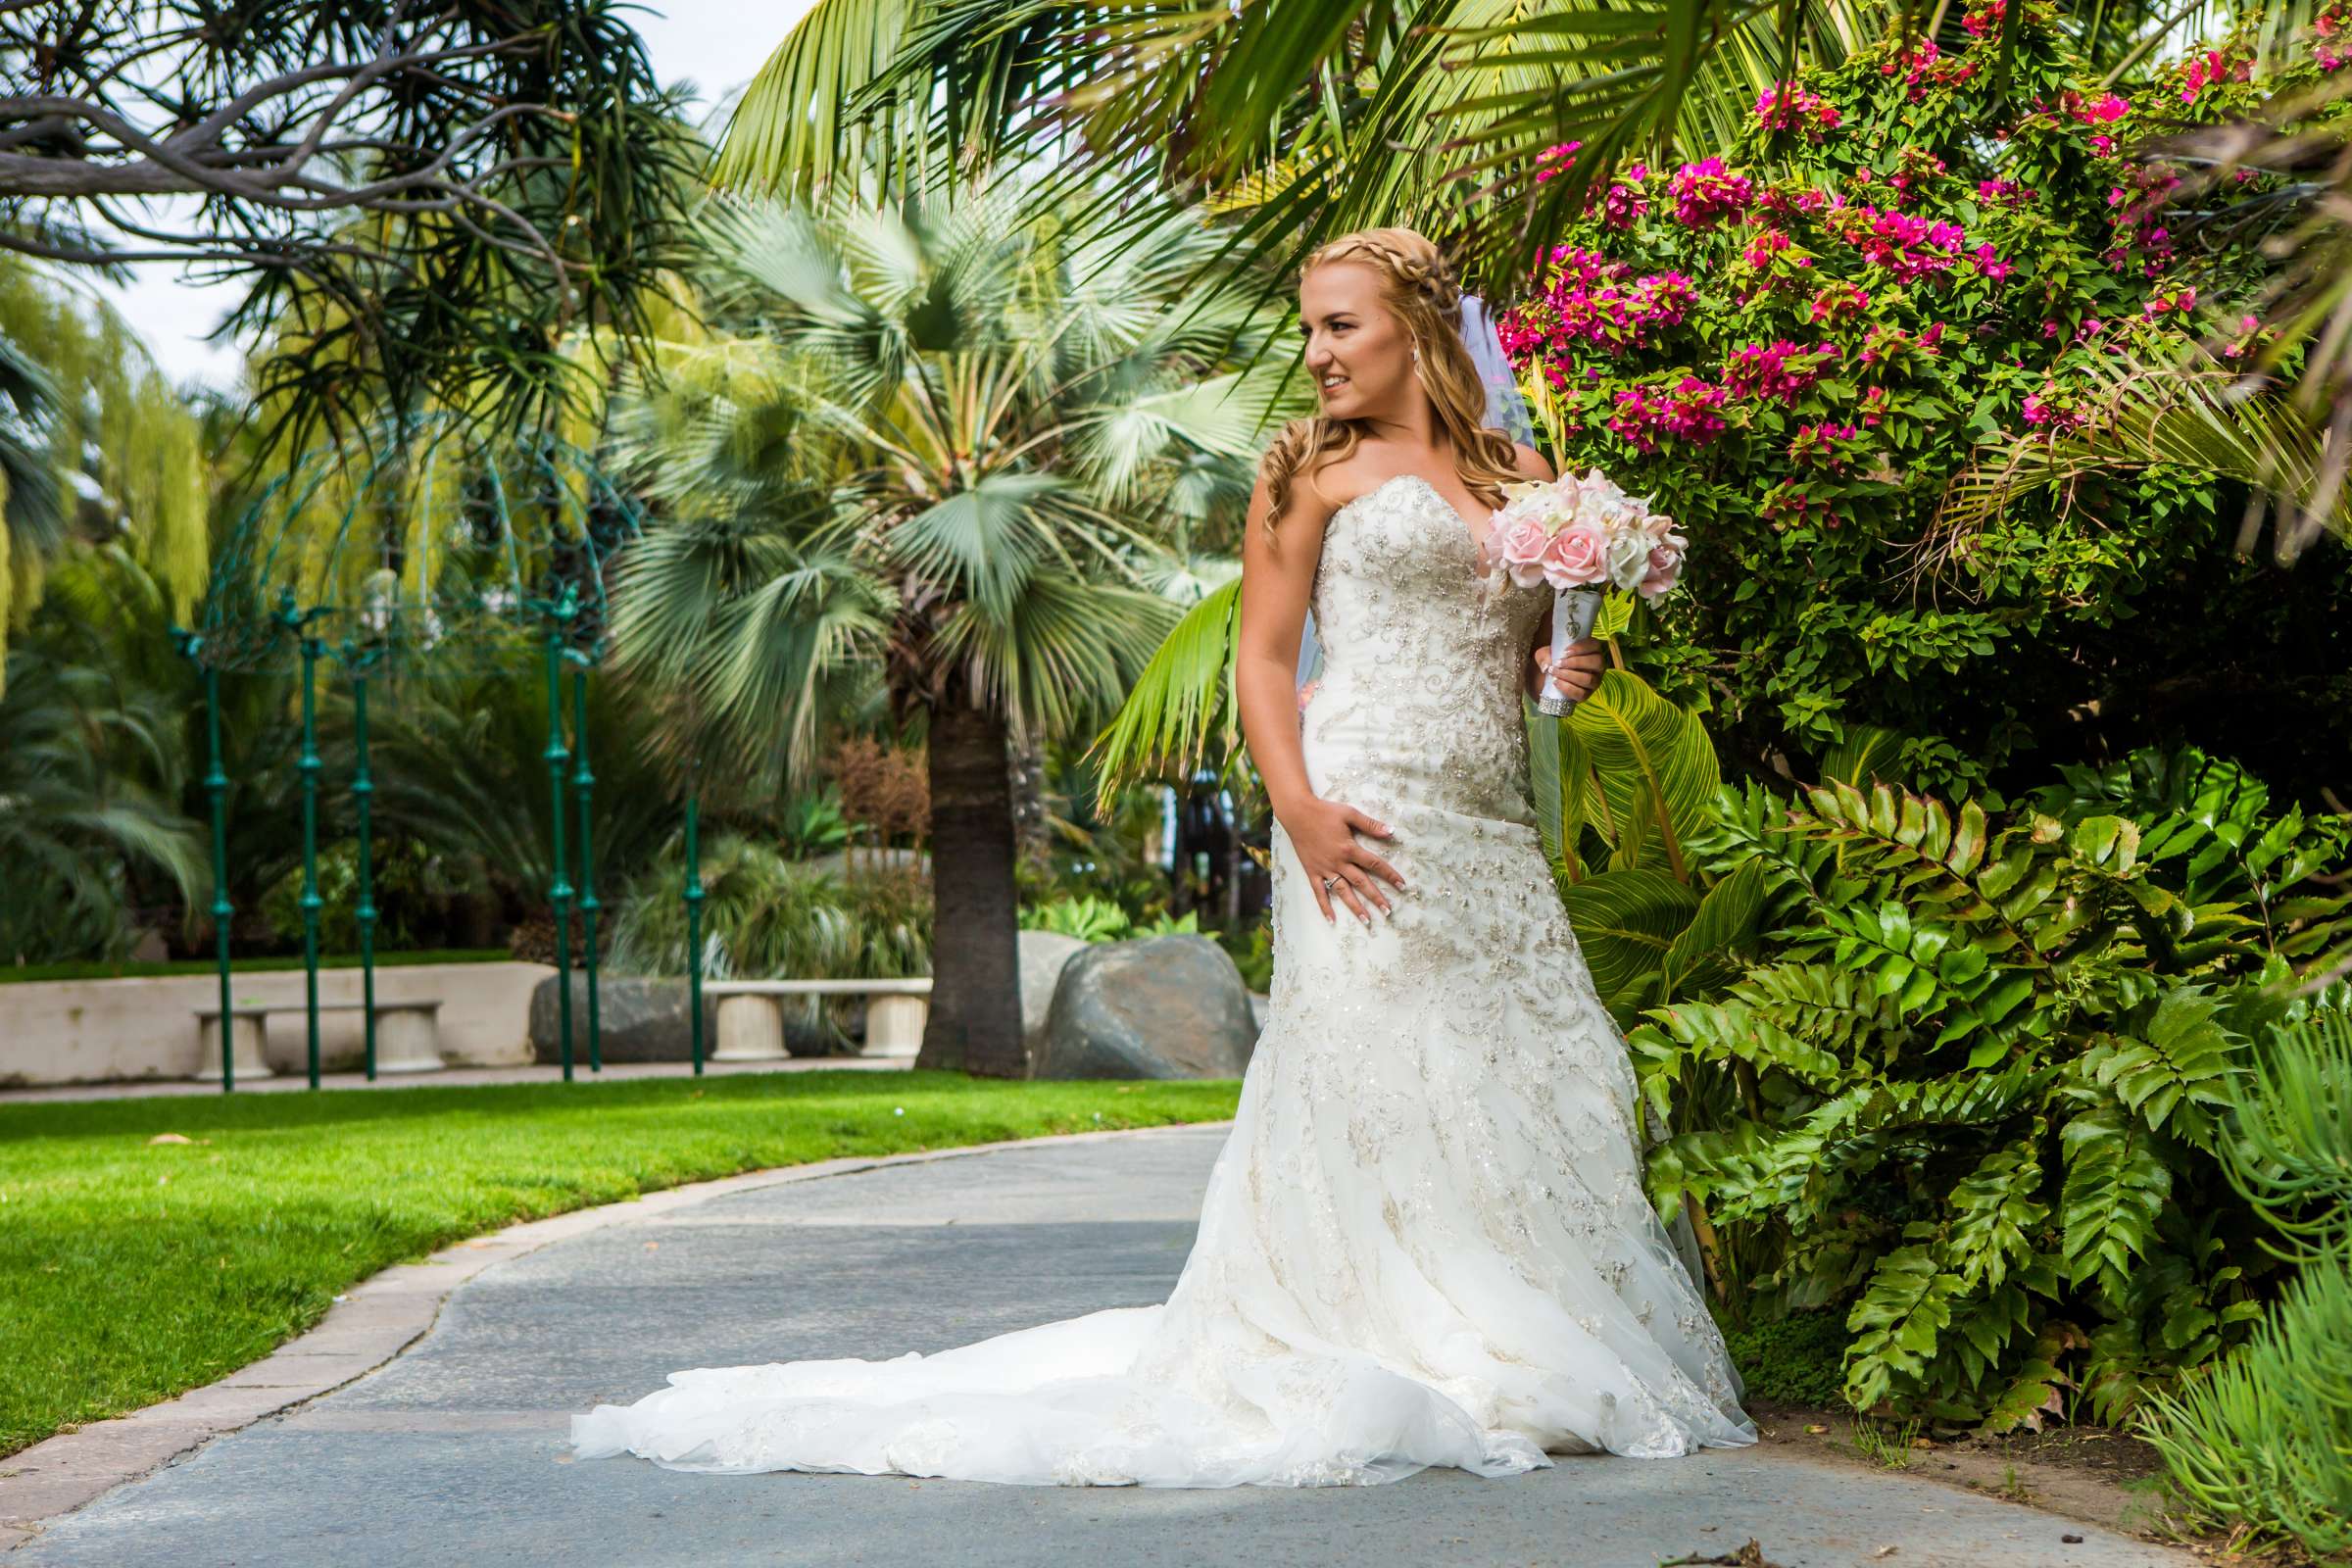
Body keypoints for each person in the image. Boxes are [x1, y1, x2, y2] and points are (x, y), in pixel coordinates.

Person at [569, 225, 1758, 1487]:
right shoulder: (1308, 469)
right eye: (1307, 328)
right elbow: (1261, 656)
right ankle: (1389, 1332)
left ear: (1414, 326)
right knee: (1379, 1068)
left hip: (1491, 822)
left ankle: (1525, 1319)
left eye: (1339, 326)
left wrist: (1551, 664)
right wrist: (1295, 809)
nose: (1316, 355)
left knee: (1527, 1063)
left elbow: (1513, 650)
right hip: (1362, 811)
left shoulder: (1525, 475)